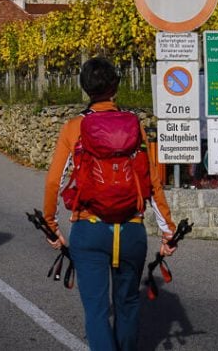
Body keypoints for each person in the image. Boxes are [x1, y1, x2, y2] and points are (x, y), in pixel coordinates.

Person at [42, 58, 177, 350]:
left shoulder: (74, 127)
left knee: (97, 311)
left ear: (85, 89)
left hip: (89, 228)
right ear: (116, 86)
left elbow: (54, 181)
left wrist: (51, 227)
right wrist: (168, 231)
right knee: (128, 305)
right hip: (130, 229)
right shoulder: (133, 126)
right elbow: (152, 182)